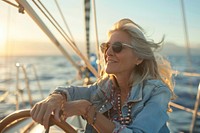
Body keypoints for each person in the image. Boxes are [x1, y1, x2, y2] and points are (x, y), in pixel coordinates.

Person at [30, 18, 176, 133]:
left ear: (138, 58)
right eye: (106, 46)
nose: (108, 53)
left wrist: (86, 109)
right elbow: (74, 92)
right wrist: (55, 98)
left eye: (117, 47)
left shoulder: (157, 92)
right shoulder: (106, 87)